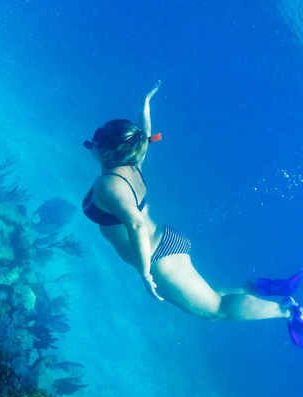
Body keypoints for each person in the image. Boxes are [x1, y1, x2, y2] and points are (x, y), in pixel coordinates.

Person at [81, 81, 303, 347]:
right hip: (165, 242)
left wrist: (145, 274)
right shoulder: (133, 162)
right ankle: (259, 288)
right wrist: (145, 106)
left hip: (157, 258)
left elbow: (137, 226)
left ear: (108, 150)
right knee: (205, 296)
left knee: (214, 310)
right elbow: (144, 134)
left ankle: (289, 311)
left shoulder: (107, 184)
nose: (93, 142)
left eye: (99, 138)